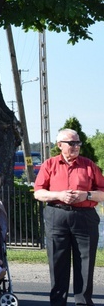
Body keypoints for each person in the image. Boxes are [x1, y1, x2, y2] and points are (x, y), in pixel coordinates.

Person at [33, 128, 104, 306]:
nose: (76, 146)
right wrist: (59, 195)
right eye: (71, 143)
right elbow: (38, 193)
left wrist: (86, 195)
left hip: (85, 217)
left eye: (78, 143)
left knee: (85, 264)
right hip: (57, 215)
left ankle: (83, 302)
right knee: (57, 263)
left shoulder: (89, 165)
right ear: (59, 145)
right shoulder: (49, 164)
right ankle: (58, 303)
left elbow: (102, 192)